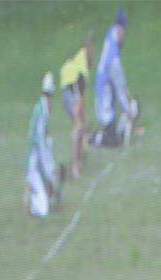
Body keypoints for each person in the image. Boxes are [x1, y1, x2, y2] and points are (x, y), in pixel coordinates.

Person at [93, 7, 137, 147]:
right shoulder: (114, 61)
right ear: (120, 30)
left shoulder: (109, 36)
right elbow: (119, 89)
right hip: (104, 103)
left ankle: (117, 129)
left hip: (103, 92)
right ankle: (94, 138)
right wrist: (127, 110)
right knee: (114, 142)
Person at [25, 72, 62, 217]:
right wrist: (50, 170)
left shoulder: (41, 110)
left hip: (36, 162)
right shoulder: (42, 113)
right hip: (33, 164)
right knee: (43, 210)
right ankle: (33, 202)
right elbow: (41, 146)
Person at [60, 34, 94, 179]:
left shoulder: (79, 59)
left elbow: (82, 102)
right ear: (88, 50)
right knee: (78, 126)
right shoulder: (82, 71)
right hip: (70, 89)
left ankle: (78, 158)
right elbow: (80, 100)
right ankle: (74, 167)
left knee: (79, 124)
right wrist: (83, 123)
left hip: (66, 87)